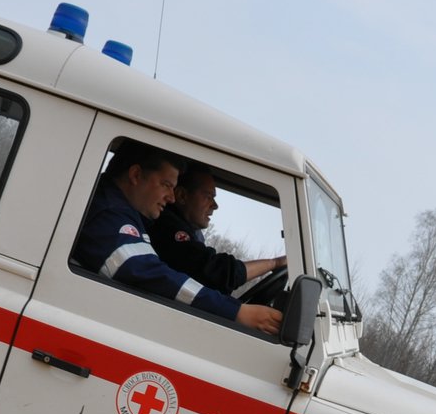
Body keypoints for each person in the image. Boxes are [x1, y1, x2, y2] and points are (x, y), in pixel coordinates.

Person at [72, 142, 282, 335]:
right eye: (166, 185)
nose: (171, 198)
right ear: (135, 175)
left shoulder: (129, 215)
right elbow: (145, 271)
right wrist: (236, 312)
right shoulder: (108, 212)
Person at [150, 164, 286, 294]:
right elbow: (216, 272)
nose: (215, 205)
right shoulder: (167, 228)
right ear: (182, 196)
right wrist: (274, 263)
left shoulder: (186, 230)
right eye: (208, 197)